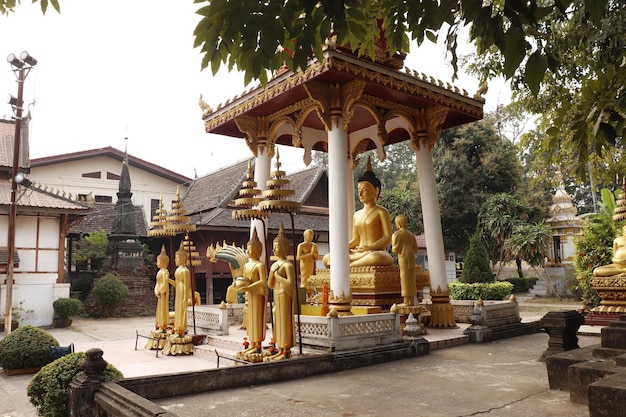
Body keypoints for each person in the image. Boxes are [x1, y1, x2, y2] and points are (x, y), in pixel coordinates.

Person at [324, 157, 394, 268]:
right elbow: (356, 240)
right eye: (358, 190)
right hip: (359, 252)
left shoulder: (381, 211)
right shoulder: (357, 214)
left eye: (365, 189)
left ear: (376, 190)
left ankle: (347, 267)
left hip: (373, 252)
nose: (360, 194)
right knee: (327, 257)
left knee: (377, 257)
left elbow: (387, 237)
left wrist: (371, 247)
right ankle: (348, 265)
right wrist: (344, 247)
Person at [267, 224, 296, 360]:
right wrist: (272, 274)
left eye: (277, 247)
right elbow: (270, 284)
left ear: (285, 248)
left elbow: (290, 283)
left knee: (284, 321)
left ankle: (286, 349)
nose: (274, 249)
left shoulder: (288, 265)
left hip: (285, 294)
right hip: (277, 293)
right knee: (277, 321)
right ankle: (279, 348)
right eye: (274, 247)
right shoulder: (275, 265)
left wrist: (278, 276)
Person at [236, 227, 268, 352]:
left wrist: (249, 287)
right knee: (250, 320)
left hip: (258, 295)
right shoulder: (247, 265)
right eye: (247, 249)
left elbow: (263, 282)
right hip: (250, 295)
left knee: (257, 318)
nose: (248, 251)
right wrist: (239, 285)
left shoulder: (260, 265)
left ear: (257, 250)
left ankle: (258, 345)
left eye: (250, 249)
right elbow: (244, 279)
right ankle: (252, 343)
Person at [392, 214, 418, 306]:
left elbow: (395, 249)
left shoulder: (397, 234)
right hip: (411, 256)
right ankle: (411, 300)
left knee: (405, 278)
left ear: (398, 223)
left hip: (403, 256)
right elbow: (416, 249)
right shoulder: (411, 235)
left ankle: (406, 301)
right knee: (410, 278)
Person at [172, 243, 193, 336]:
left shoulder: (185, 271)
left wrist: (186, 297)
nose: (176, 260)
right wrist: (168, 280)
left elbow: (187, 285)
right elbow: (176, 283)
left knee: (182, 309)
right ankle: (178, 326)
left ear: (183, 258)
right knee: (178, 308)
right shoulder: (177, 270)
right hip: (178, 290)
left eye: (177, 258)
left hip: (183, 291)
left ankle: (182, 328)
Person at [154, 245, 170, 332]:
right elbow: (157, 283)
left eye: (158, 261)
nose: (157, 263)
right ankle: (159, 324)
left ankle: (163, 325)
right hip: (160, 293)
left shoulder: (165, 272)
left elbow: (165, 283)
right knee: (159, 309)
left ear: (164, 261)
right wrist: (156, 290)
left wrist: (161, 291)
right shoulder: (159, 272)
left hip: (163, 293)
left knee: (163, 309)